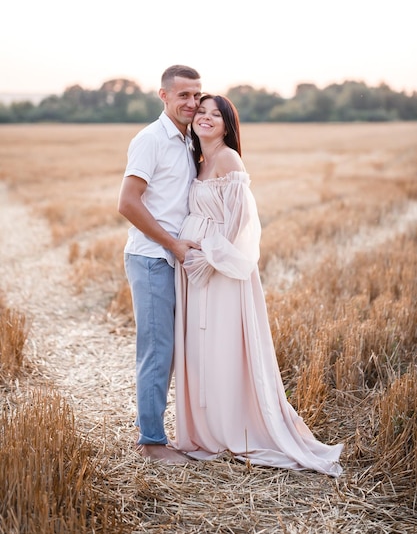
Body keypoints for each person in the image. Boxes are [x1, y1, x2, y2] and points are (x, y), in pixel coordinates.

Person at [173, 94, 344, 476]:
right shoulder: (199, 162)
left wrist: (209, 255)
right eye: (201, 112)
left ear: (227, 124)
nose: (205, 118)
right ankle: (209, 430)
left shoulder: (229, 158)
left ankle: (235, 428)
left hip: (219, 269)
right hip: (194, 268)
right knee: (202, 348)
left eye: (215, 115)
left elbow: (241, 223)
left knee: (223, 346)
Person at [118, 65, 202, 464]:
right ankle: (151, 442)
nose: (192, 102)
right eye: (183, 95)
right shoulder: (150, 139)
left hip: (176, 261)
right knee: (157, 351)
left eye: (196, 95)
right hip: (152, 259)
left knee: (172, 350)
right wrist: (172, 244)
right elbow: (128, 203)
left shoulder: (189, 140)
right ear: (164, 96)